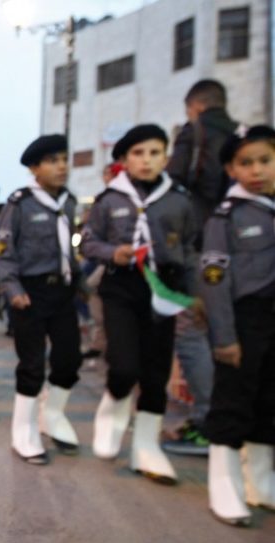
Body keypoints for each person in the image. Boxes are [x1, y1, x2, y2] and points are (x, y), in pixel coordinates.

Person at [81, 125, 199, 485]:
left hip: (163, 288)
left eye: (153, 153)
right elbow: (88, 242)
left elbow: (192, 249)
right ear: (124, 160)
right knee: (124, 363)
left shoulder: (179, 199)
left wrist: (194, 295)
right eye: (137, 153)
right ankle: (112, 409)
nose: (146, 160)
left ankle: (147, 447)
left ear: (165, 157)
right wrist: (112, 253)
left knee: (156, 371)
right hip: (121, 286)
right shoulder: (109, 200)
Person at [199, 125, 275, 526]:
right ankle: (224, 485)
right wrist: (224, 336)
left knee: (268, 402)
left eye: (265, 160)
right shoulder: (225, 217)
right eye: (246, 163)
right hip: (245, 319)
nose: (257, 170)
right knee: (234, 400)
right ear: (231, 169)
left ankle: (260, 482)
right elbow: (214, 279)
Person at [161, 80, 239, 457]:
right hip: (237, 247)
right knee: (224, 331)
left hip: (197, 245)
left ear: (194, 106)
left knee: (191, 329)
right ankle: (226, 418)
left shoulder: (193, 133)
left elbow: (173, 181)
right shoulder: (240, 136)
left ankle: (208, 421)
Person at [0, 135, 82, 464]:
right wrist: (12, 290)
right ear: (35, 168)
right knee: (31, 364)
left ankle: (53, 415)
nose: (62, 166)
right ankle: (24, 432)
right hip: (29, 293)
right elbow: (3, 251)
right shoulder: (20, 203)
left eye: (64, 159)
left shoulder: (68, 202)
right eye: (52, 161)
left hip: (62, 290)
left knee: (69, 359)